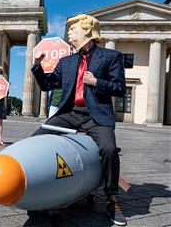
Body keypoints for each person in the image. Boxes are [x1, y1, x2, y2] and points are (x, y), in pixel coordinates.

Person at [31, 14, 127, 226]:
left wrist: (96, 82)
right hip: (69, 113)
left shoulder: (111, 57)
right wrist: (37, 68)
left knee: (109, 149)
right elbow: (48, 85)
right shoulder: (66, 62)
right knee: (35, 140)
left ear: (88, 31)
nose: (69, 33)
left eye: (73, 29)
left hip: (96, 115)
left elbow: (120, 89)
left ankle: (112, 200)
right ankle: (41, 188)